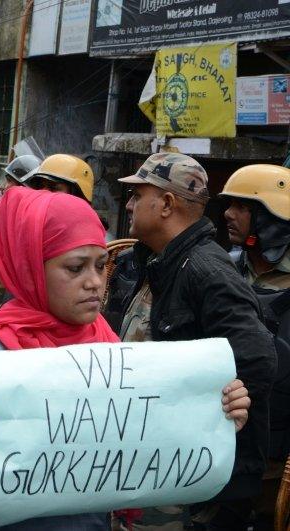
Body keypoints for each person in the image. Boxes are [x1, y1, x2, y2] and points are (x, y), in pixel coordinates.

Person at [0, 187, 251, 530]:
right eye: (75, 268)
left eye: (99, 266)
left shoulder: (111, 353)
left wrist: (215, 414)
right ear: (30, 268)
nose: (94, 283)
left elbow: (148, 441)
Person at [118, 153, 277, 529]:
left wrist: (208, 412)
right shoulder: (151, 262)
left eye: (137, 195)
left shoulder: (206, 271)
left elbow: (257, 359)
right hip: (149, 462)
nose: (128, 204)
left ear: (167, 204)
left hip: (188, 480)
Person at [220, 163, 290, 527]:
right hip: (225, 442)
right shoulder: (221, 271)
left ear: (273, 217)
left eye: (242, 206)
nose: (228, 214)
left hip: (278, 462)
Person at [28, 153, 94, 203]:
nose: (43, 192)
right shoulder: (32, 216)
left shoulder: (89, 221)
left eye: (53, 188)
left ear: (78, 195)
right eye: (40, 186)